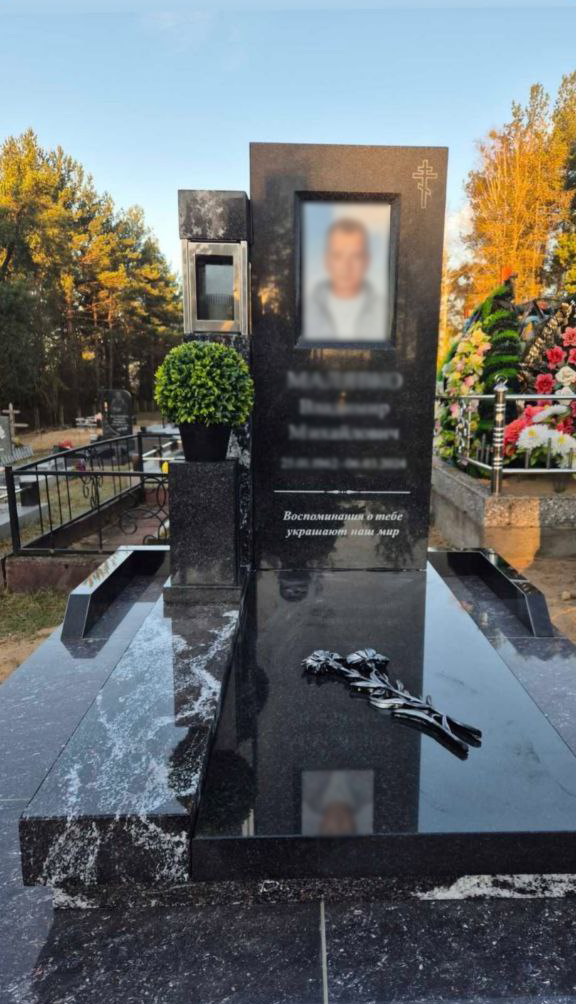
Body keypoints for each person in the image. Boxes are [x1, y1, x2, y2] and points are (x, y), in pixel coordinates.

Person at [305, 218, 385, 342]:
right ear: (326, 260)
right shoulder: (306, 308)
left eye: (356, 256)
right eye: (338, 256)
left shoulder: (383, 309)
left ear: (367, 261)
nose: (346, 266)